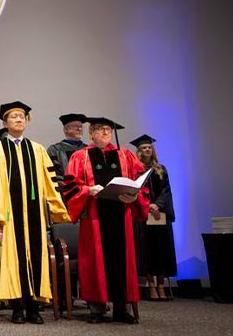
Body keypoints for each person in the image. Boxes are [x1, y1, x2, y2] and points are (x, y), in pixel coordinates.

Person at [0, 101, 70, 324]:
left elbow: (50, 181)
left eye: (22, 116)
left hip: (35, 216)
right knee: (13, 260)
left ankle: (34, 308)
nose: (19, 119)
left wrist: (56, 209)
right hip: (9, 217)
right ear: (5, 122)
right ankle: (17, 308)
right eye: (14, 116)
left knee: (37, 258)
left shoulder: (38, 150)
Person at [62, 117, 149, 324]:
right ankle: (97, 309)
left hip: (121, 214)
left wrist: (135, 196)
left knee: (123, 260)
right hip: (94, 217)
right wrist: (87, 190)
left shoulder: (125, 155)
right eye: (100, 129)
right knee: (94, 261)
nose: (105, 133)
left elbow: (140, 182)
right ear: (91, 132)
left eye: (108, 130)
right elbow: (71, 186)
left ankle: (122, 308)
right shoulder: (80, 157)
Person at [130, 134, 177, 301]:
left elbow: (166, 190)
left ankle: (161, 285)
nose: (147, 150)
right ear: (139, 151)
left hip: (160, 215)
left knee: (162, 249)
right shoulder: (136, 170)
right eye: (143, 148)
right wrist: (148, 205)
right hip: (144, 215)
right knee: (147, 251)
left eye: (149, 147)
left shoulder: (161, 169)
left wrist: (158, 205)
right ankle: (151, 286)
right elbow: (135, 191)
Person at [47, 114, 88, 194]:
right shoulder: (55, 150)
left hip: (88, 194)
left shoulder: (88, 149)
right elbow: (54, 175)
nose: (79, 129)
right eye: (75, 126)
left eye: (81, 127)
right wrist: (70, 189)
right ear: (66, 129)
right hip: (66, 193)